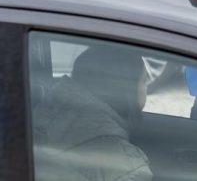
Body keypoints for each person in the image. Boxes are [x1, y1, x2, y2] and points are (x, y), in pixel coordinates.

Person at [32, 45, 154, 181]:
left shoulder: (40, 122)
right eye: (144, 80)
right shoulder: (128, 168)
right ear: (127, 89)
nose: (146, 87)